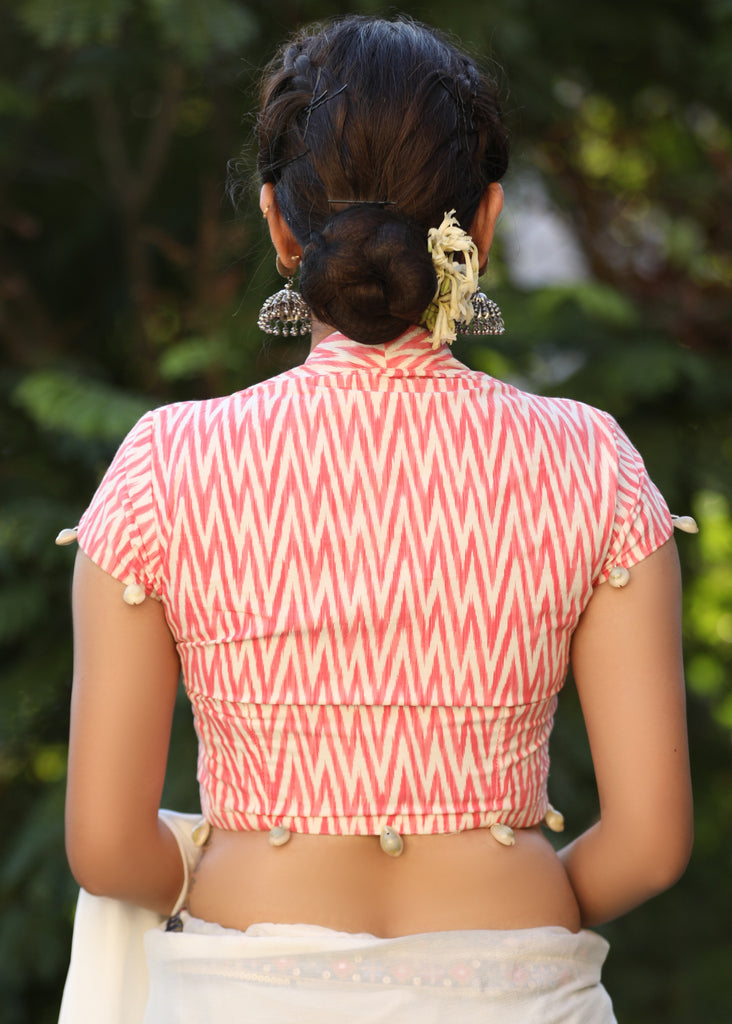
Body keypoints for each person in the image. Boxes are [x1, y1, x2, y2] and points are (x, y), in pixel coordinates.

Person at [61, 14, 693, 1023]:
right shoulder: (592, 462)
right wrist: (514, 919)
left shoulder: (164, 465)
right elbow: (653, 839)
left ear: (277, 224)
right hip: (518, 986)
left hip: (246, 989)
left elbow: (103, 843)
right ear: (481, 224)